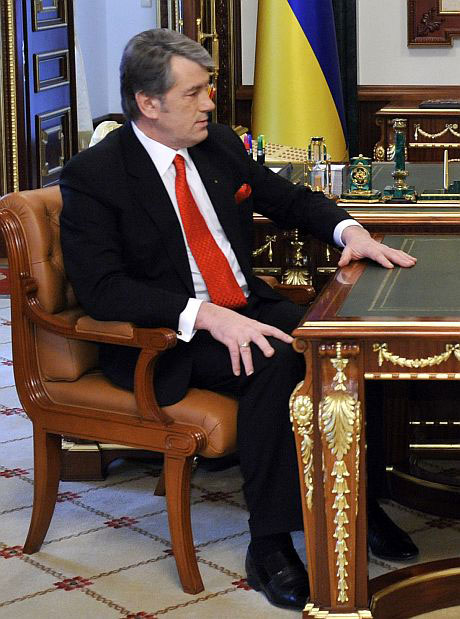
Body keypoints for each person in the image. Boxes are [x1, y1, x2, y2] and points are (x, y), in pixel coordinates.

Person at [60, 28, 418, 611]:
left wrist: (349, 231)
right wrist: (203, 315)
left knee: (348, 346)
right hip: (168, 336)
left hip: (246, 305)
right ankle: (269, 543)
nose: (209, 103)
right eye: (194, 93)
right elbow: (103, 289)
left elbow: (288, 199)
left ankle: (359, 502)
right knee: (273, 362)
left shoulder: (217, 143)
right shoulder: (94, 175)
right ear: (148, 103)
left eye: (208, 89)